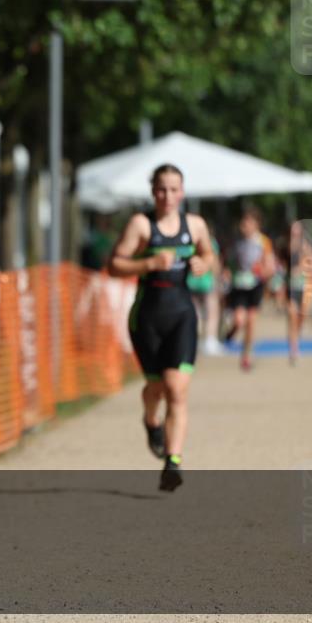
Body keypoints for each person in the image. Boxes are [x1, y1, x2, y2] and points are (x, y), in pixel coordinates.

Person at [108, 164, 214, 492]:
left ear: (183, 192)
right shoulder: (141, 225)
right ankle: (150, 420)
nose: (167, 196)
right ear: (152, 191)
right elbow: (114, 265)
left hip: (182, 315)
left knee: (176, 389)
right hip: (147, 318)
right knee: (155, 388)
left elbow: (208, 254)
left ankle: (173, 462)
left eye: (173, 189)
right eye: (161, 189)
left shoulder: (195, 225)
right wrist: (149, 263)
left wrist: (203, 262)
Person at [223, 207, 276, 371]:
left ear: (256, 224)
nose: (244, 225)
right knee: (239, 319)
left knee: (251, 322)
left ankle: (246, 355)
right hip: (239, 285)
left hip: (256, 286)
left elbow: (270, 266)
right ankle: (231, 331)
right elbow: (228, 262)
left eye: (248, 222)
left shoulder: (263, 241)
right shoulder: (236, 241)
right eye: (243, 222)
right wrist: (227, 272)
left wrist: (262, 271)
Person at [278, 221, 312, 365]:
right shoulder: (284, 247)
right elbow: (279, 266)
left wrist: (302, 268)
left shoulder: (305, 246)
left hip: (304, 286)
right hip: (290, 287)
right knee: (292, 315)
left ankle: (296, 339)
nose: (295, 233)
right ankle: (293, 349)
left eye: (297, 231)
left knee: (301, 317)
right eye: (293, 230)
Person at [186, 232, 224, 355]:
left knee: (196, 313)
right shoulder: (209, 242)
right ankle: (210, 340)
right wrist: (218, 279)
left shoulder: (188, 241)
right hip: (206, 281)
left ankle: (196, 340)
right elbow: (215, 262)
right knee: (212, 312)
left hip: (191, 281)